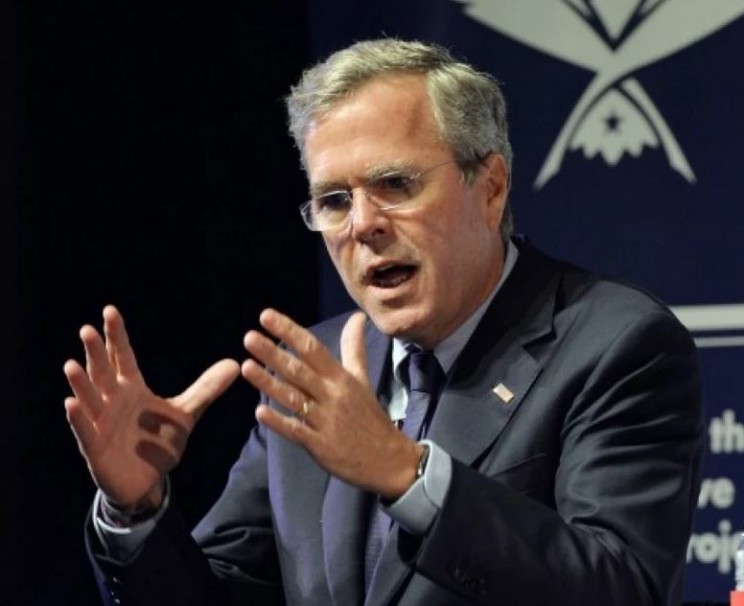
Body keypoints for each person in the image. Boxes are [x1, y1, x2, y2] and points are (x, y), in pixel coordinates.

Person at [63, 38, 704, 606]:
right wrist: (137, 509)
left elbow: (623, 586)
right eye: (333, 200)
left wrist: (410, 475)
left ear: (491, 187)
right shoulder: (314, 368)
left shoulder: (615, 343)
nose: (362, 224)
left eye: (395, 183)